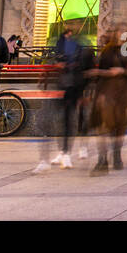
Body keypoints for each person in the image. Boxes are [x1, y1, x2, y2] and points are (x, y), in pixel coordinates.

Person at [39, 18, 92, 171]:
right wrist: (56, 64)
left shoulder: (82, 44)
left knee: (70, 120)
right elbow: (49, 60)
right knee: (60, 120)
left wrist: (86, 92)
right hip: (61, 86)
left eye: (74, 24)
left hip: (74, 87)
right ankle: (63, 152)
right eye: (69, 24)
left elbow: (86, 68)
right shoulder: (59, 42)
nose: (71, 27)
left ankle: (67, 152)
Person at [89, 24, 127, 173]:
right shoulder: (107, 51)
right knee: (103, 127)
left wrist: (122, 71)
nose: (121, 35)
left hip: (122, 93)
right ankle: (102, 159)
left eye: (125, 32)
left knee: (120, 126)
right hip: (107, 91)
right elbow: (102, 71)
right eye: (120, 32)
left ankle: (117, 155)